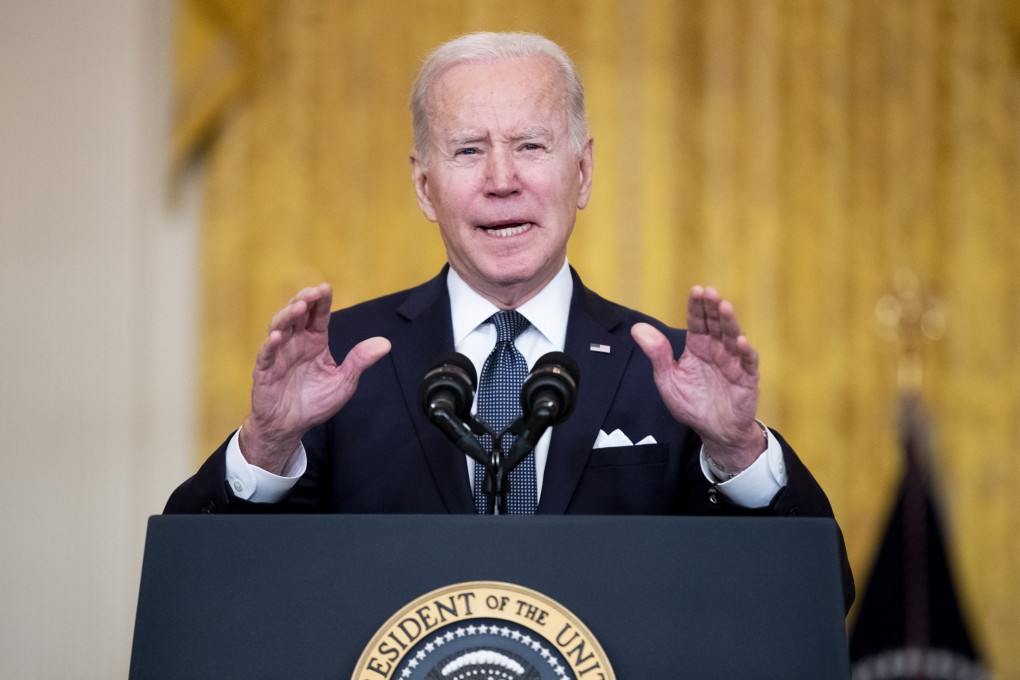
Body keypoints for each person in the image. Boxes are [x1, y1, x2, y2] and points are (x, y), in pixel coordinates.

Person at [165, 31, 852, 606]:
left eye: (530, 146)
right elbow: (198, 595)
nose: (501, 179)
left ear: (582, 173)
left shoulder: (671, 373)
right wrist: (265, 448)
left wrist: (738, 453)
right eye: (468, 150)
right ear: (424, 185)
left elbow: (816, 599)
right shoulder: (340, 363)